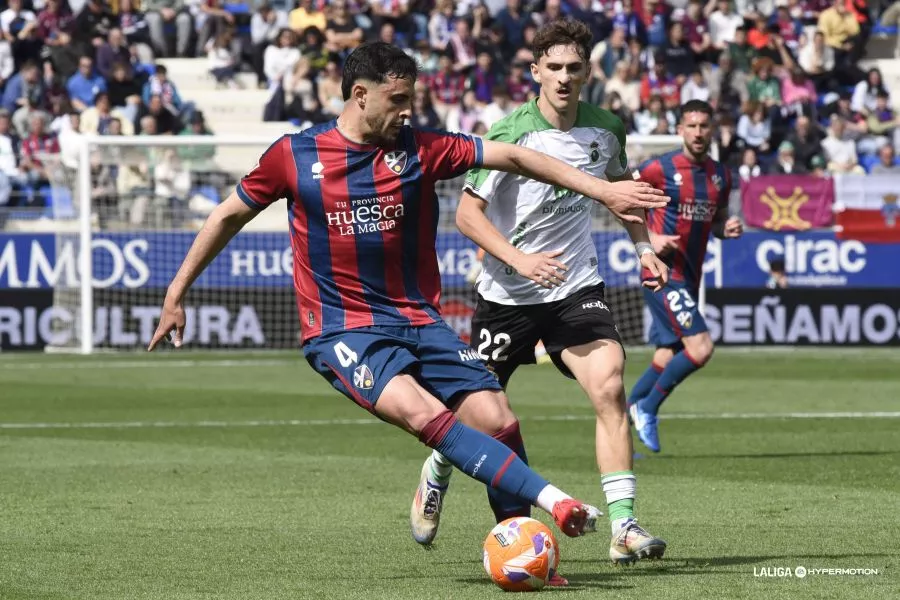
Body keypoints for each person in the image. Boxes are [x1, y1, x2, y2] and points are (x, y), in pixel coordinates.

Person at [147, 42, 669, 550]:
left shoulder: (422, 148)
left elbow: (514, 156)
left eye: (411, 100)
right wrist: (176, 293)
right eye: (397, 100)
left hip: (420, 321)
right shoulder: (295, 155)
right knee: (426, 416)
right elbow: (227, 215)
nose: (407, 112)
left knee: (497, 418)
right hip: (343, 329)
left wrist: (603, 190)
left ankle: (524, 547)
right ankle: (556, 504)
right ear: (359, 95)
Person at [407, 19, 669, 578]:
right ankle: (438, 469)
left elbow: (621, 196)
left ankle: (623, 526)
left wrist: (644, 248)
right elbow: (466, 215)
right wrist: (519, 259)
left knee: (610, 383)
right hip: (507, 295)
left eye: (574, 67)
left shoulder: (606, 129)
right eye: (554, 67)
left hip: (575, 286)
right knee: (477, 415)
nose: (564, 77)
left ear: (588, 71)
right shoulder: (511, 133)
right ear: (535, 72)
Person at [627, 100, 744, 454]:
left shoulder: (721, 176)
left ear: (712, 130)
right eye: (691, 126)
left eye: (703, 126)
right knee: (701, 347)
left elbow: (717, 221)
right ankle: (647, 409)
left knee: (668, 354)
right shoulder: (659, 168)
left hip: (689, 276)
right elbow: (622, 200)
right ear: (680, 130)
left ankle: (622, 423)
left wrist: (726, 229)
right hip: (662, 274)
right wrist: (650, 238)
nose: (697, 132)